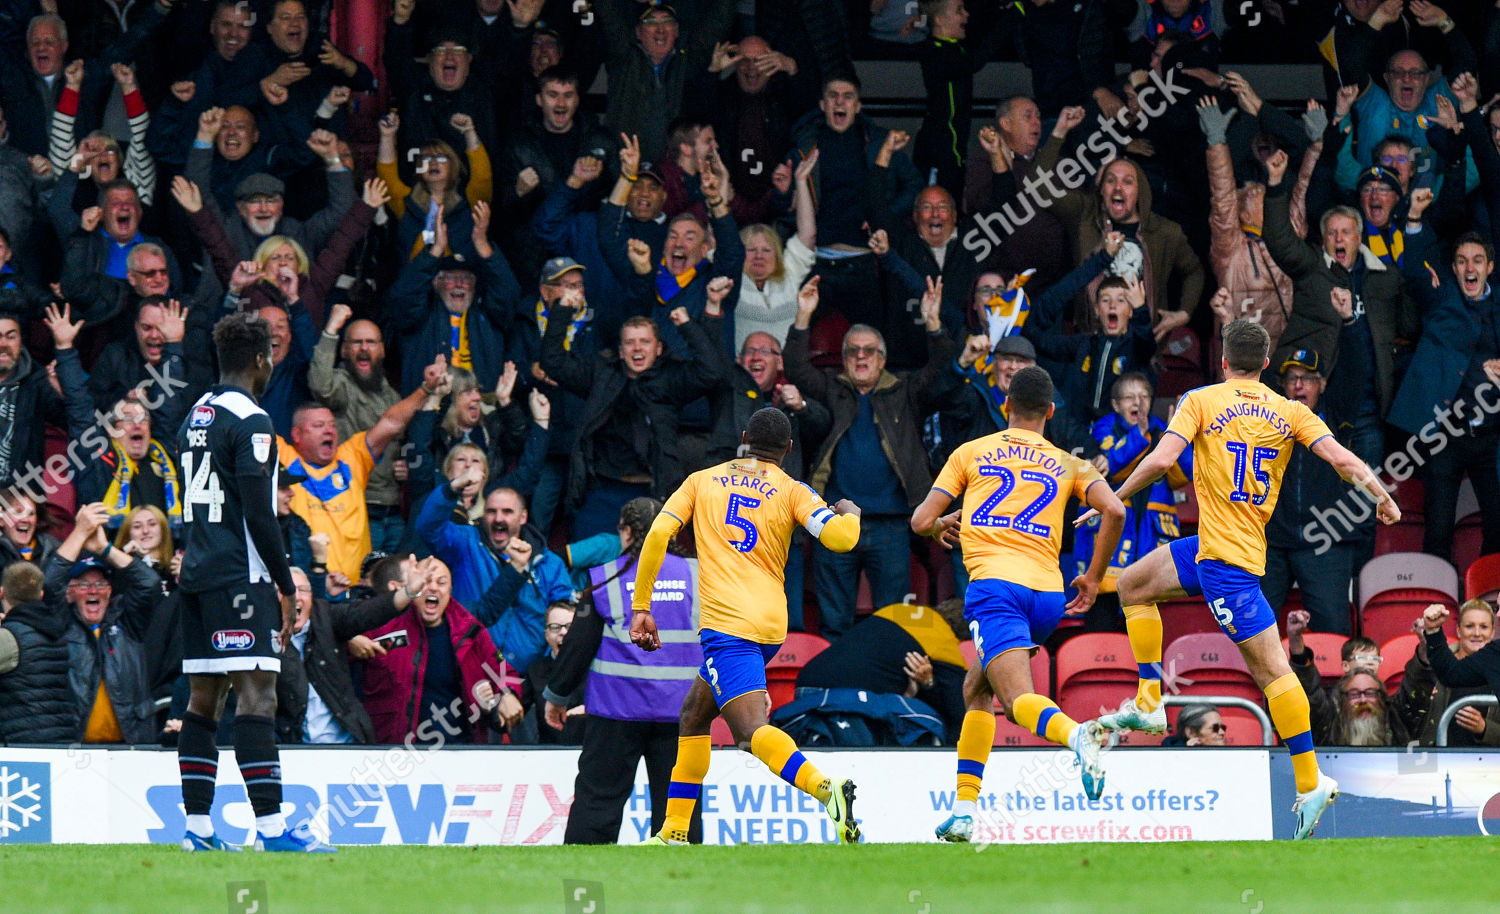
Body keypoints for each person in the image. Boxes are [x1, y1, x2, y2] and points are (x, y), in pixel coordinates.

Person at [1093, 319, 1400, 839]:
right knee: (1132, 585)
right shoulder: (1291, 410)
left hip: (1228, 565)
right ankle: (1149, 699)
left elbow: (1163, 459)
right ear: (1265, 366)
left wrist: (1113, 494)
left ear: (1224, 361)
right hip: (1212, 547)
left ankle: (1310, 782)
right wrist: (1383, 495)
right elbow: (1343, 459)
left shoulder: (1199, 399)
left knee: (1274, 672)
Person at [633, 408, 864, 845]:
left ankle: (826, 790)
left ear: (743, 439)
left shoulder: (702, 479)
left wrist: (642, 605)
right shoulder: (794, 490)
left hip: (729, 626)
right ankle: (674, 832)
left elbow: (659, 534)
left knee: (749, 733)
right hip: (771, 625)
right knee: (694, 716)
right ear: (788, 450)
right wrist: (849, 512)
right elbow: (842, 539)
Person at [912, 366, 1124, 842]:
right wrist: (1092, 575)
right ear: (1050, 412)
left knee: (1015, 698)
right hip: (1048, 597)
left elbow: (920, 519)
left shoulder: (972, 451)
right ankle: (965, 812)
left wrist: (943, 521)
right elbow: (1114, 509)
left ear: (1005, 406)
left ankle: (1079, 737)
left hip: (995, 589)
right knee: (976, 688)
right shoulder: (1070, 463)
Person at [173, 312, 332, 853]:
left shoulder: (194, 413)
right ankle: (271, 831)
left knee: (203, 700)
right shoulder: (253, 419)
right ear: (263, 359)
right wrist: (286, 584)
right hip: (240, 577)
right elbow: (260, 513)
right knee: (257, 695)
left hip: (196, 573)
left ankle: (198, 830)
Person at [541, 498, 705, 843]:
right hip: (683, 714)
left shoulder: (605, 580)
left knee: (597, 804)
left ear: (627, 532)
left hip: (616, 712)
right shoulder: (699, 576)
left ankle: (585, 886)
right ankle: (683, 885)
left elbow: (577, 647)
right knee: (679, 811)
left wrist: (556, 696)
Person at [361, 557, 522, 746]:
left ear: (450, 591)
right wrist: (352, 640)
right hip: (396, 755)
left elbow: (506, 673)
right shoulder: (384, 625)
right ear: (412, 586)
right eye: (426, 581)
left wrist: (508, 694)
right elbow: (340, 647)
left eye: (441, 582)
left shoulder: (470, 630)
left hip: (462, 753)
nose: (434, 588)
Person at [45, 502, 163, 746]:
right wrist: (79, 533)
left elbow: (149, 584)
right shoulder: (61, 624)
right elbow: (48, 583)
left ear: (110, 592)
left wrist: (103, 547)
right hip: (74, 751)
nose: (93, 590)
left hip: (132, 747)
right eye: (83, 585)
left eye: (100, 585)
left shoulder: (129, 623)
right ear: (70, 593)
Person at [276, 560, 431, 745]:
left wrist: (409, 591)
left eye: (302, 590)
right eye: (286, 590)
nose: (295, 597)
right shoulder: (263, 634)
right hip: (294, 751)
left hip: (347, 746)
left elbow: (368, 612)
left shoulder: (326, 616)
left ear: (311, 596)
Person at [794, 598, 969, 743]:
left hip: (805, 689)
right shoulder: (942, 640)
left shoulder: (897, 610)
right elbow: (959, 712)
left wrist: (926, 686)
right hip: (842, 701)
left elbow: (878, 668)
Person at [1399, 601, 1500, 746]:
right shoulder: (1438, 662)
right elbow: (1408, 705)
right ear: (1458, 630)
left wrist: (1485, 728)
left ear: (1492, 632)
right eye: (1469, 626)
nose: (1477, 633)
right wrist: (1431, 635)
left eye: (1483, 627)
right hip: (1440, 761)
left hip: (1490, 764)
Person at [0, 560, 77, 743]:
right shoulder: (57, 631)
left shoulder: (9, 638)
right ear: (41, 595)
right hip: (60, 742)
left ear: (2, 593)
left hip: (23, 747)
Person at [1160, 704, 1226, 747]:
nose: (1222, 732)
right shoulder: (1167, 758)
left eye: (1222, 727)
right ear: (1191, 733)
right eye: (1215, 728)